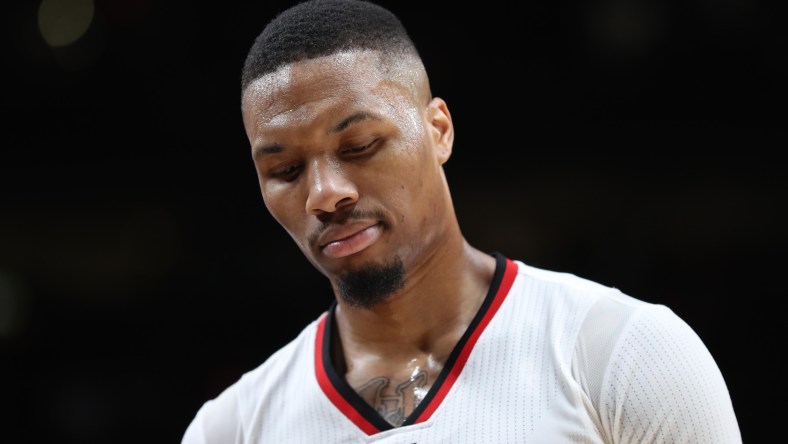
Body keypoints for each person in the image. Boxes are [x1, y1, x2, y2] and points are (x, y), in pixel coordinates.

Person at [181, 0, 742, 442]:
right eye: (285, 170)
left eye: (360, 146)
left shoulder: (625, 354)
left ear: (438, 130)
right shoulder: (230, 430)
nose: (325, 195)